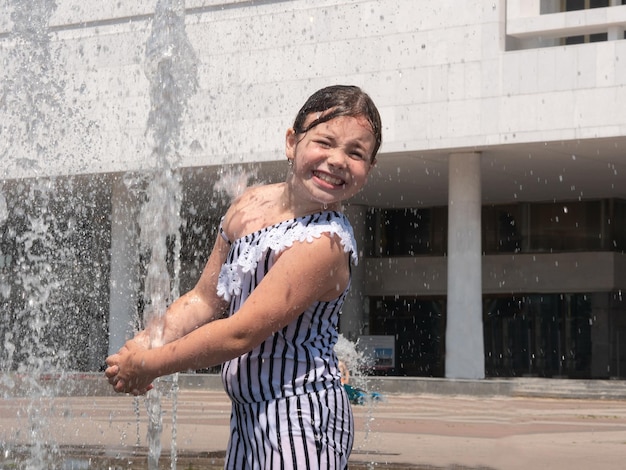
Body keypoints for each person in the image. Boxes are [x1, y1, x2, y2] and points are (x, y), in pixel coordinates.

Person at [105, 84, 382, 469]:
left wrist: (150, 365)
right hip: (248, 417)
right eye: (325, 142)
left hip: (303, 416)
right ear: (292, 142)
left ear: (368, 170)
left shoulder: (325, 243)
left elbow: (240, 332)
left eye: (356, 153)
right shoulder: (249, 206)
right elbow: (204, 298)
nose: (337, 160)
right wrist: (143, 343)